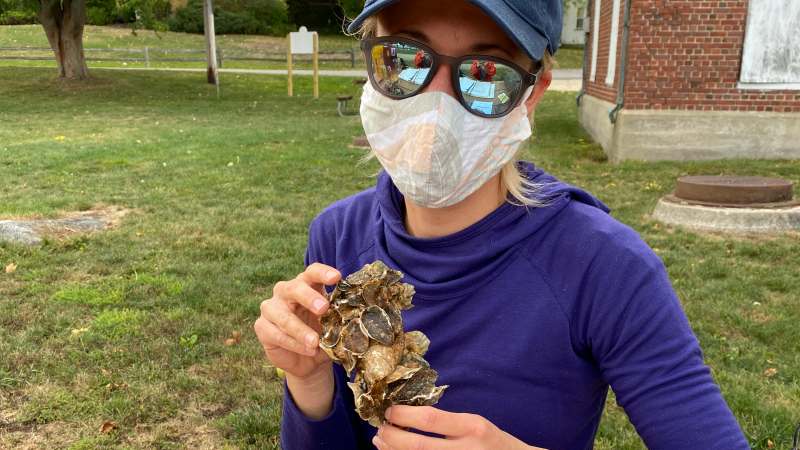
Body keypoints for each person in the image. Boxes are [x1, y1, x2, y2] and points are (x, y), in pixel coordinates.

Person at [254, 0, 751, 449]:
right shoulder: (337, 236)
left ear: (531, 95)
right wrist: (311, 385)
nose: (437, 101)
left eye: (485, 73)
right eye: (405, 58)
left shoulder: (604, 265)